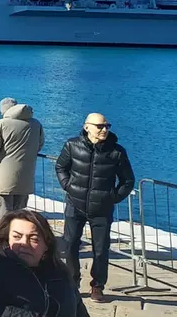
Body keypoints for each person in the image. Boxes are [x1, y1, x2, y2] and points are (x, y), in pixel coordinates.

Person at [55, 113, 134, 303]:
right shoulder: (72, 145)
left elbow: (128, 180)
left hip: (102, 209)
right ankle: (72, 282)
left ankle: (97, 286)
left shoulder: (117, 152)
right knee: (71, 243)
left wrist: (112, 198)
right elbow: (60, 167)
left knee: (100, 249)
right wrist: (68, 186)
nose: (105, 129)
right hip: (75, 205)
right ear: (87, 127)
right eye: (100, 126)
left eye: (107, 125)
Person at [0, 98, 44, 220]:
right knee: (19, 215)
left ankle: (3, 238)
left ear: (3, 111)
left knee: (4, 217)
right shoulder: (36, 124)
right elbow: (39, 144)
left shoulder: (0, 125)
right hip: (25, 177)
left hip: (2, 179)